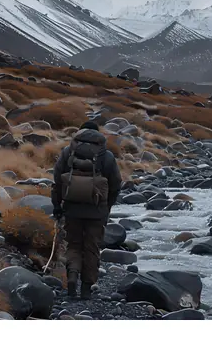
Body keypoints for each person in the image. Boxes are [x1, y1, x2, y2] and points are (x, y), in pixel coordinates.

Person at [51, 121, 122, 299]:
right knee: (92, 248)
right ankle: (86, 288)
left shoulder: (68, 152)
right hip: (97, 211)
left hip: (71, 208)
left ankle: (73, 277)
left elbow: (58, 182)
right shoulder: (106, 156)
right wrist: (107, 207)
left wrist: (57, 206)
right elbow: (115, 184)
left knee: (74, 245)